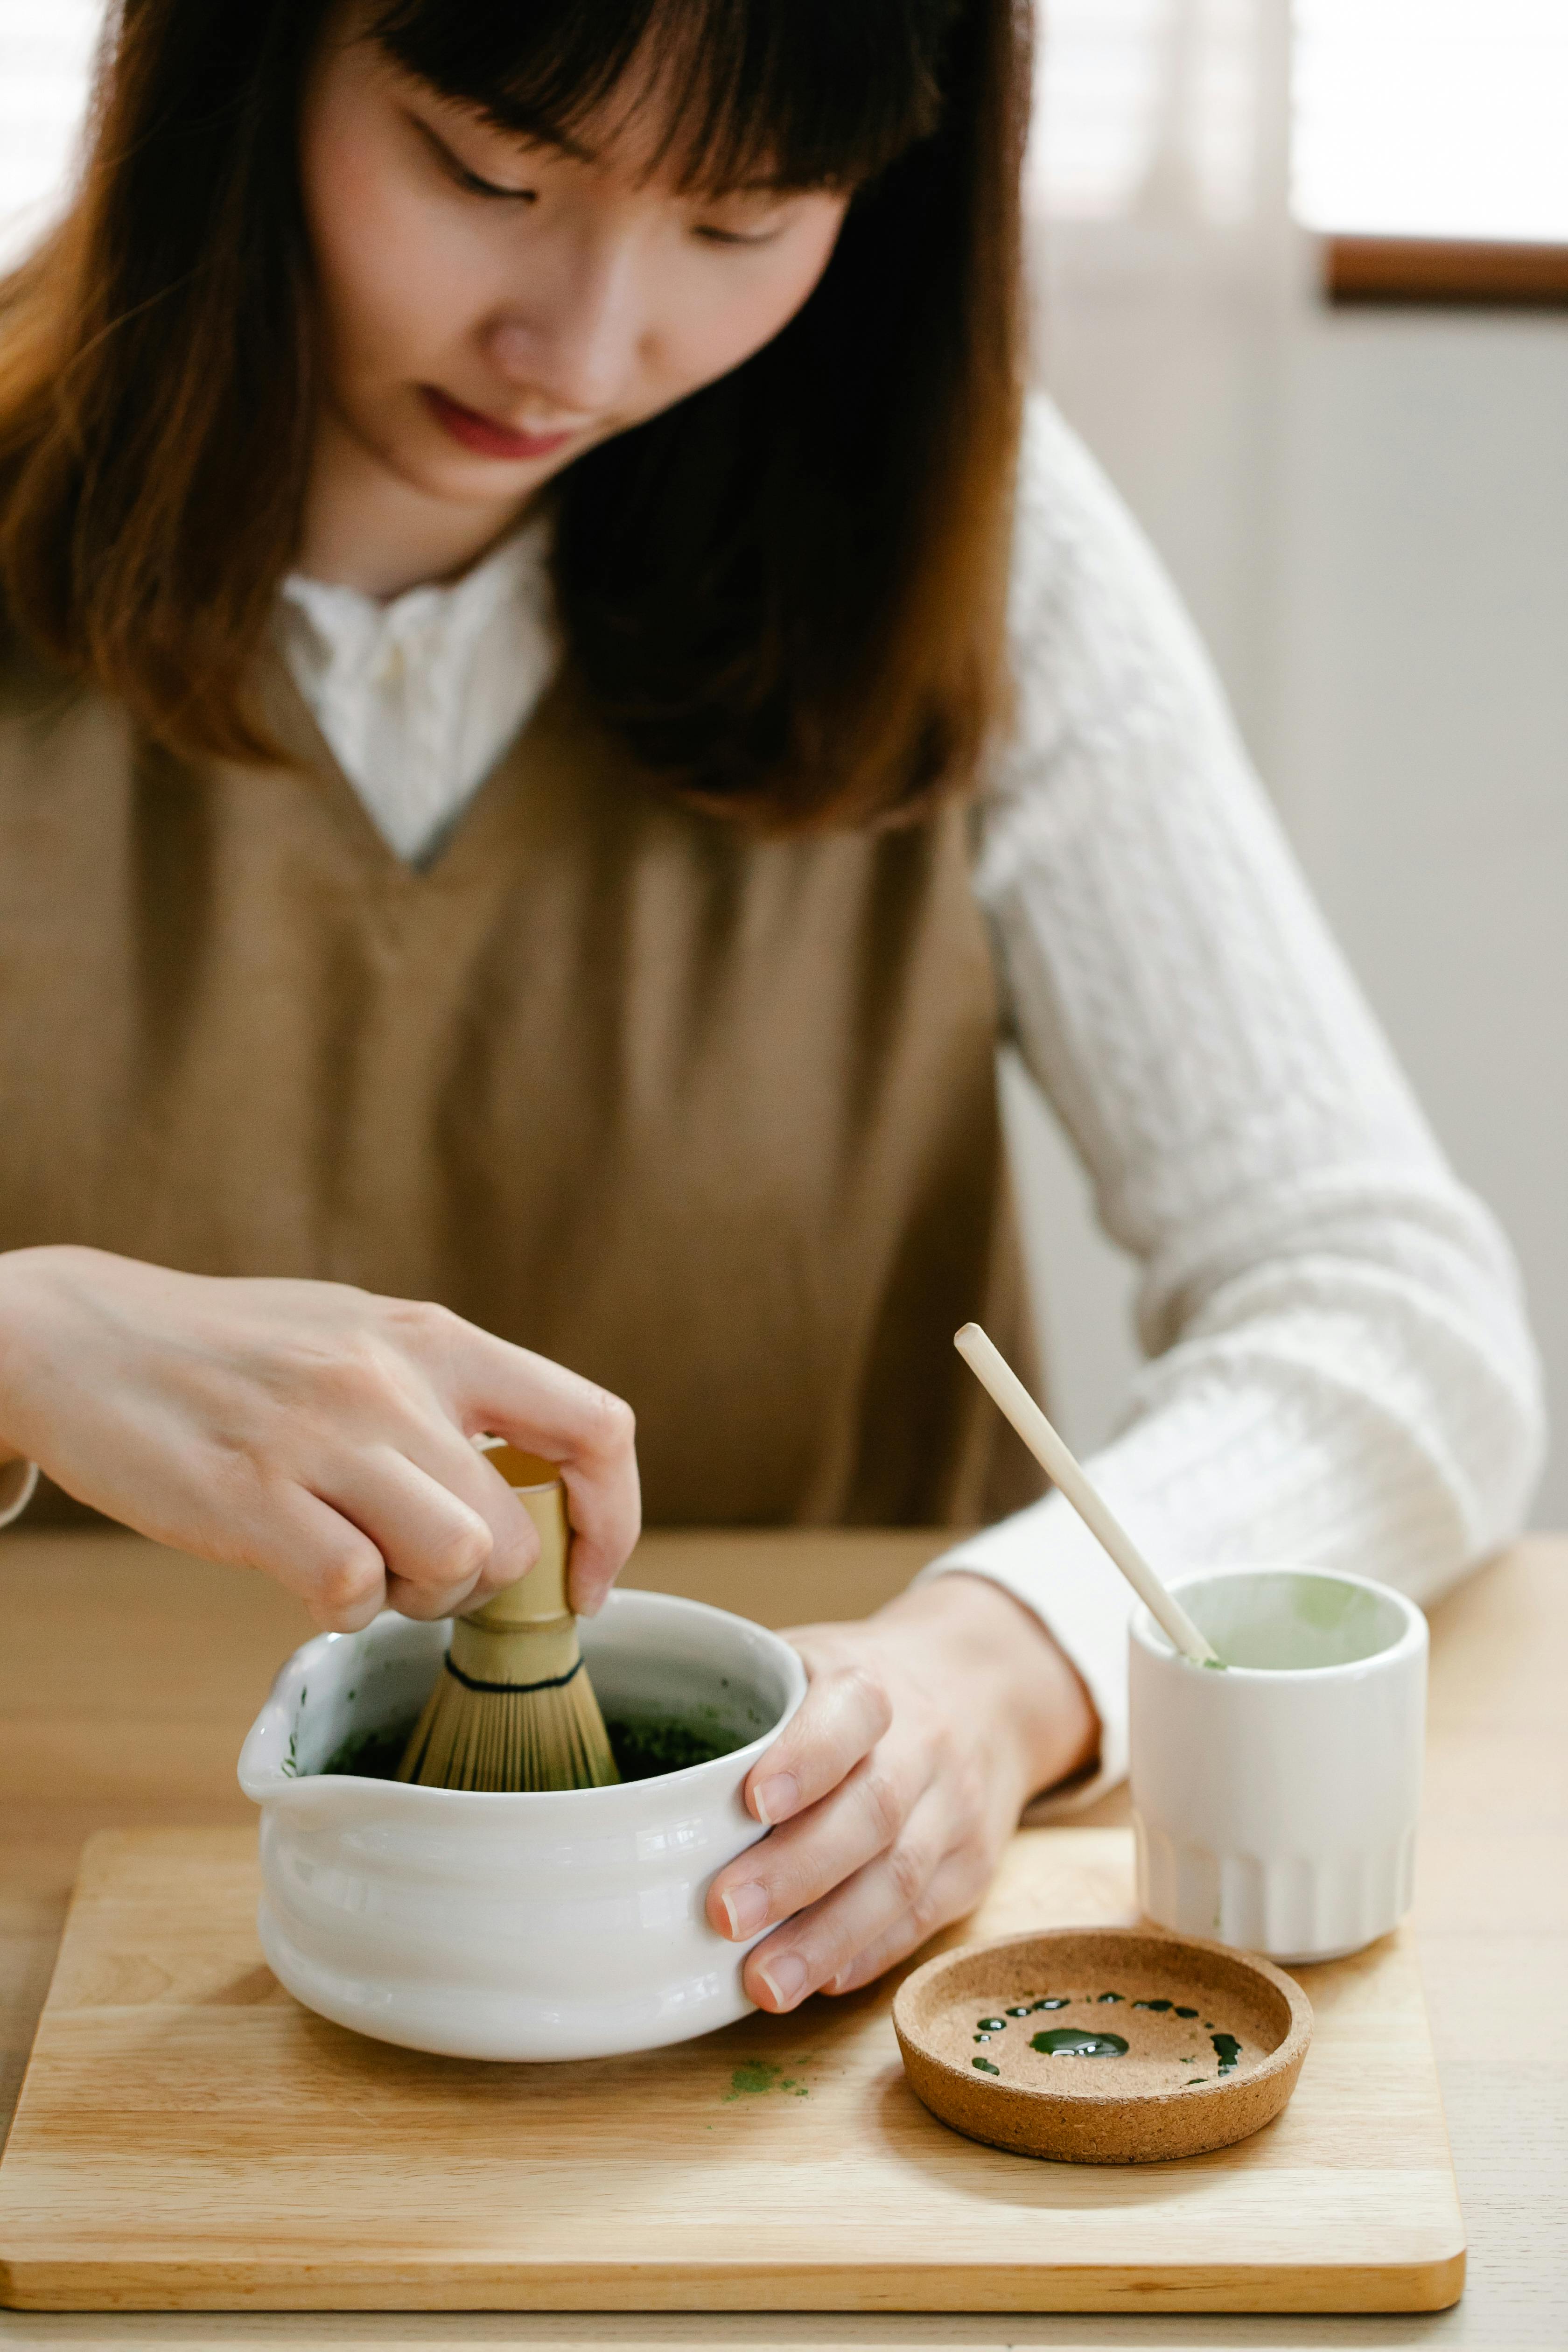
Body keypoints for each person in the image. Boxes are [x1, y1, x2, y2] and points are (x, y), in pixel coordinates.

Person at [0, 0, 1542, 2019]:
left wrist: (999, 1671)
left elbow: (1395, 1318)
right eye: (487, 171)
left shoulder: (958, 543)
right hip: (80, 1953)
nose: (583, 342)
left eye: (745, 219)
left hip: (773, 1975)